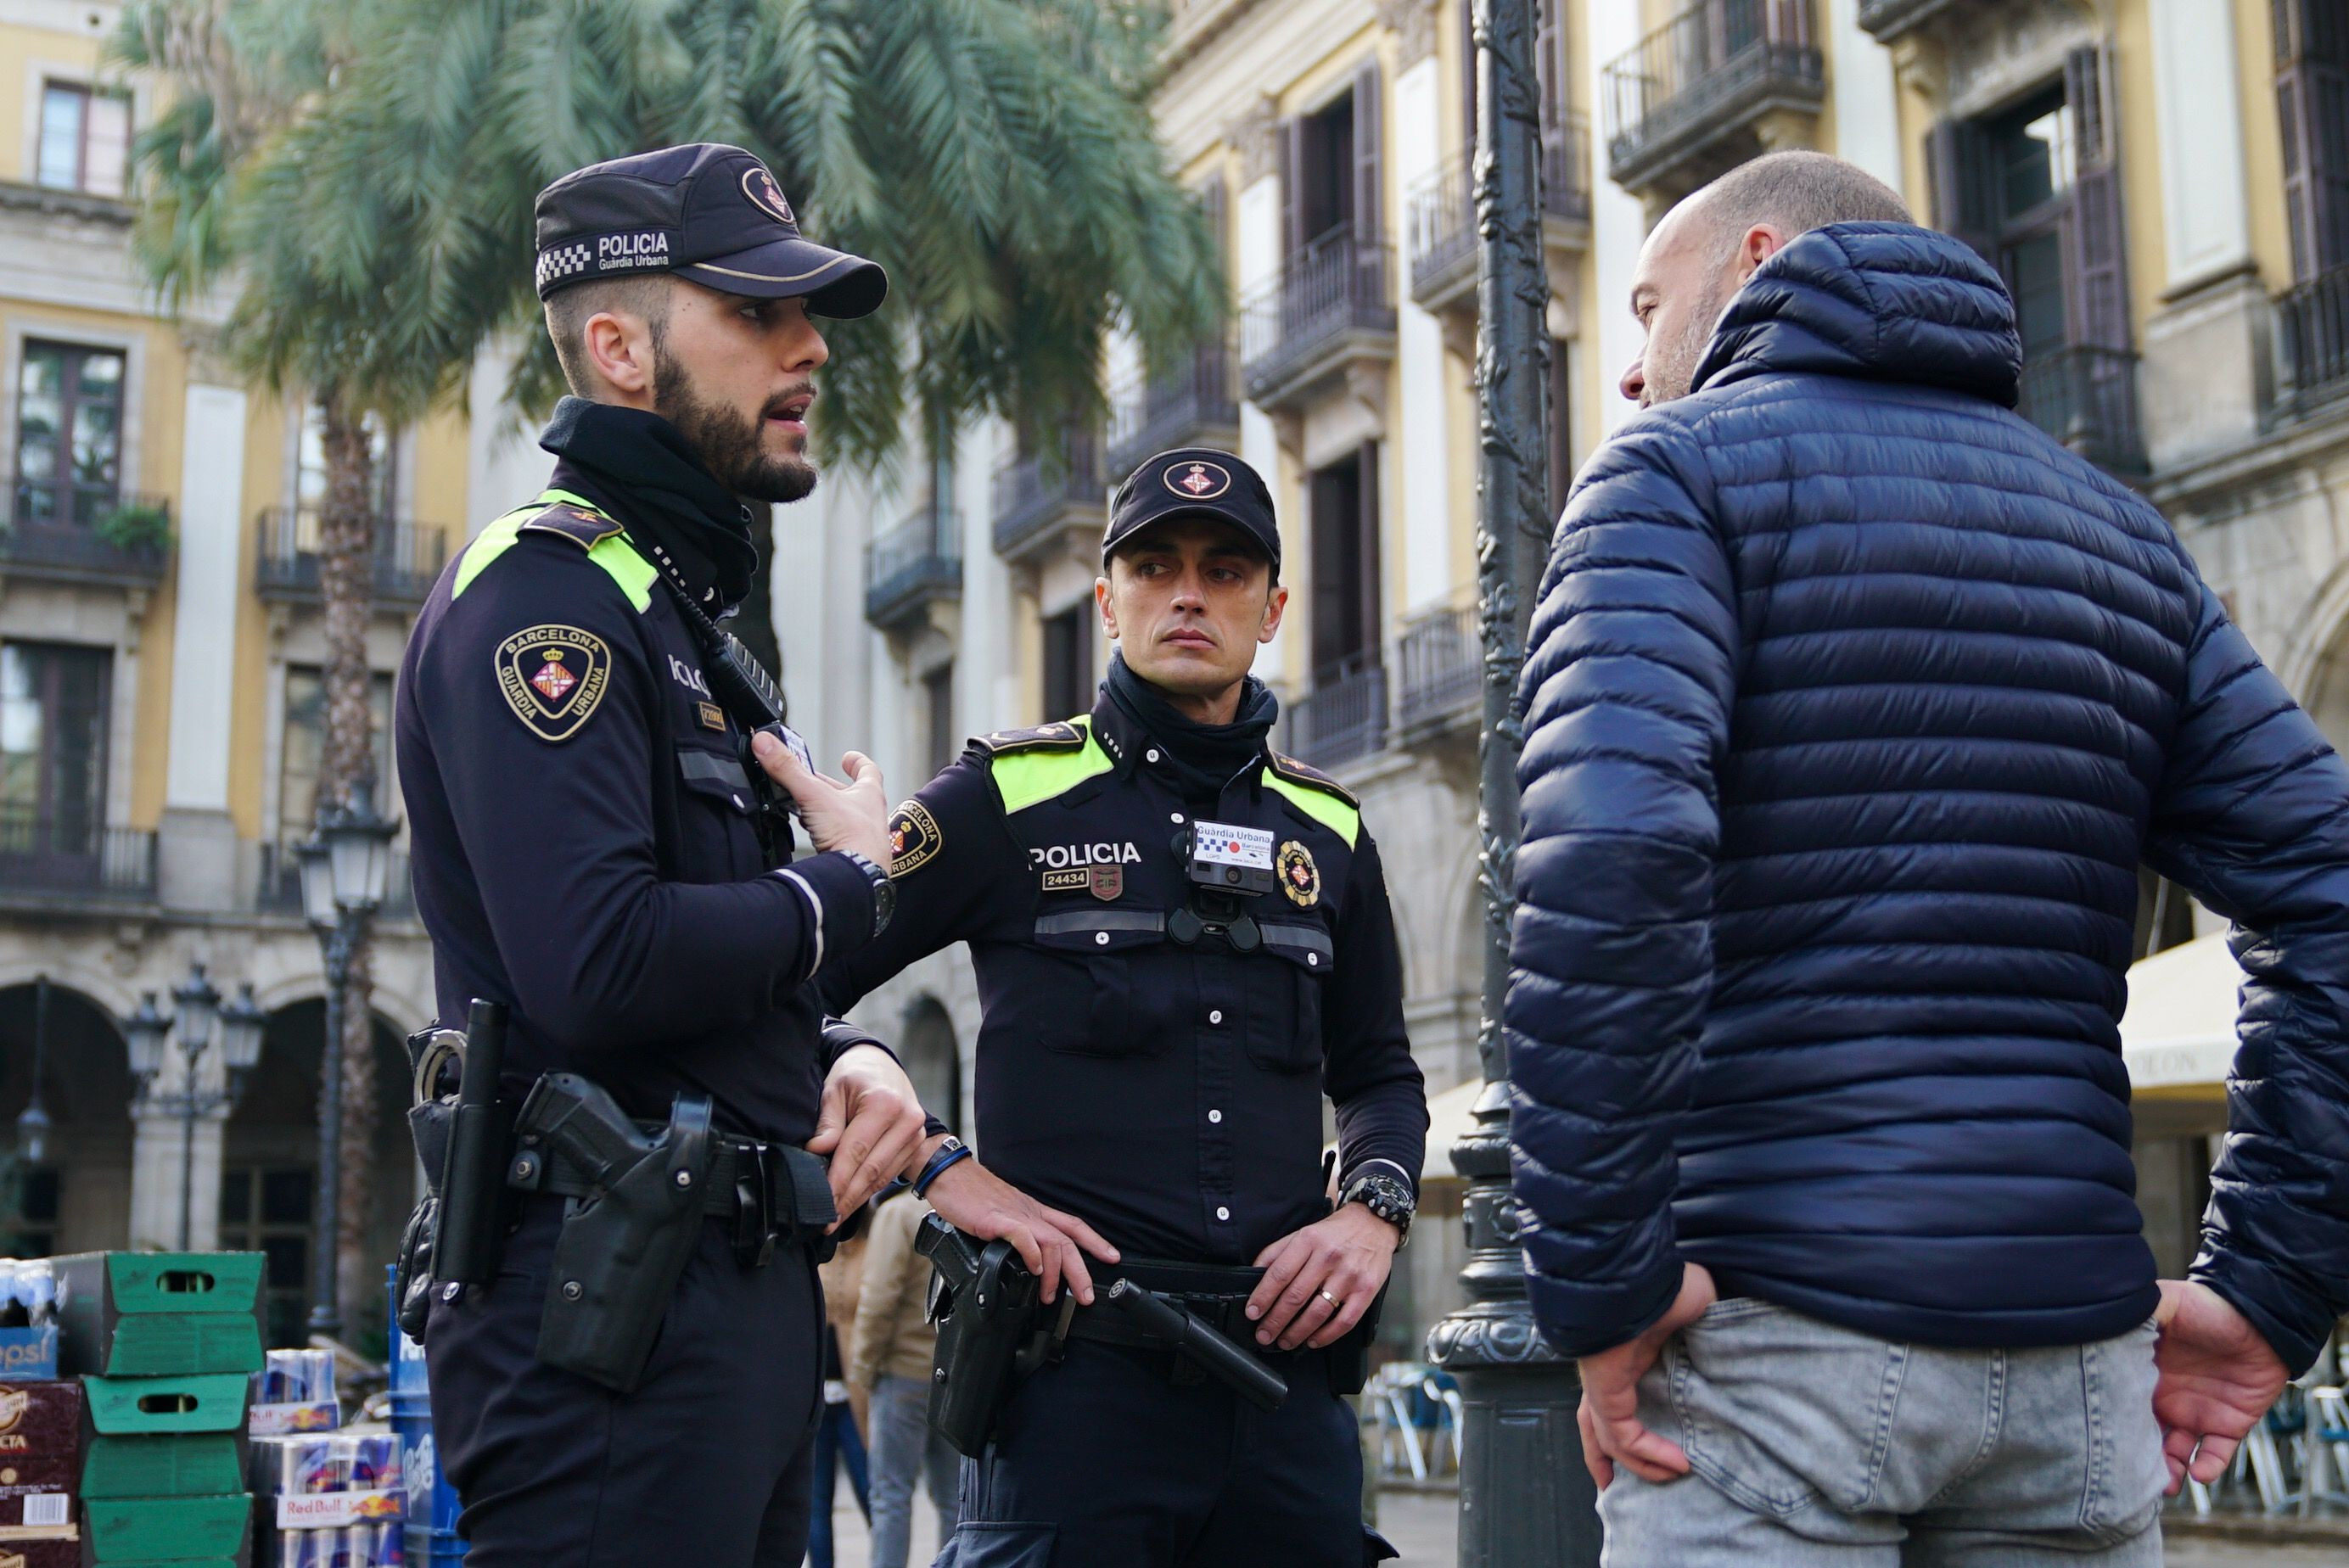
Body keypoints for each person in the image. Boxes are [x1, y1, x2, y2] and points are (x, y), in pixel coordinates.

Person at [1507, 148, 2349, 1565]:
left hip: (1771, 1347)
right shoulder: (2124, 542)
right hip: (2076, 1374)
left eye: (1645, 308)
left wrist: (1597, 1282)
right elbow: (2327, 895)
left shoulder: (1668, 480)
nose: (1632, 374)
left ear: (1756, 263)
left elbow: (1612, 856)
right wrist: (2265, 1280)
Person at [401, 142, 970, 1566]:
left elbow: (710, 953)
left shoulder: (675, 614)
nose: (805, 351)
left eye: (809, 318)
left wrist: (840, 1047)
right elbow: (595, 964)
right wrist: (845, 891)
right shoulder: (547, 598)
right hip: (602, 1336)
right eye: (756, 315)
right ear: (620, 348)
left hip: (731, 1313)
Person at [809, 447, 1428, 1567]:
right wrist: (941, 1164)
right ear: (1108, 600)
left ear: (1274, 607)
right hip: (1069, 1392)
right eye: (1154, 565)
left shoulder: (1329, 833)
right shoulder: (1005, 797)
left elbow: (1379, 1069)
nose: (1188, 593)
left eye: (1226, 569)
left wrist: (1373, 1212)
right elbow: (790, 983)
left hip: (1282, 1394)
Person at [852, 1186, 960, 1568]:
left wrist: (862, 1368)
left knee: (891, 1496)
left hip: (901, 1373)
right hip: (953, 1375)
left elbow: (879, 1297)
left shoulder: (897, 1215)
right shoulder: (957, 1210)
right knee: (953, 1499)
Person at [810, 1237, 873, 1568]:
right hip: (816, 1396)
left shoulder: (872, 1245)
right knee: (815, 1503)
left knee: (870, 1490)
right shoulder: (810, 1251)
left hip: (856, 1395)